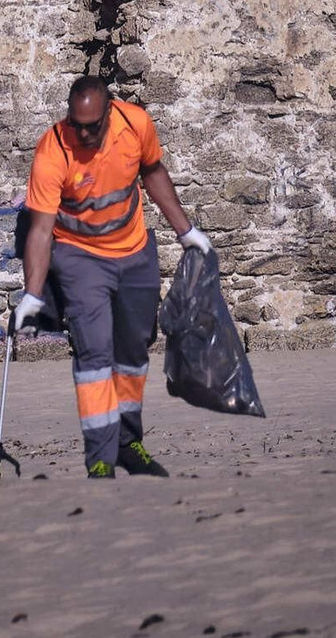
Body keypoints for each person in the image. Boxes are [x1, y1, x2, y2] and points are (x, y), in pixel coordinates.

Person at [13, 72, 211, 480]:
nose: (83, 134)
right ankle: (101, 458)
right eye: (77, 125)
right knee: (95, 354)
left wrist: (186, 231)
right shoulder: (53, 150)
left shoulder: (135, 124)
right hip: (80, 257)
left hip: (134, 251)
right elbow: (40, 230)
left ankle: (127, 444)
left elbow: (153, 172)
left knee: (134, 352)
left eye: (92, 126)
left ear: (110, 111)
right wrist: (32, 294)